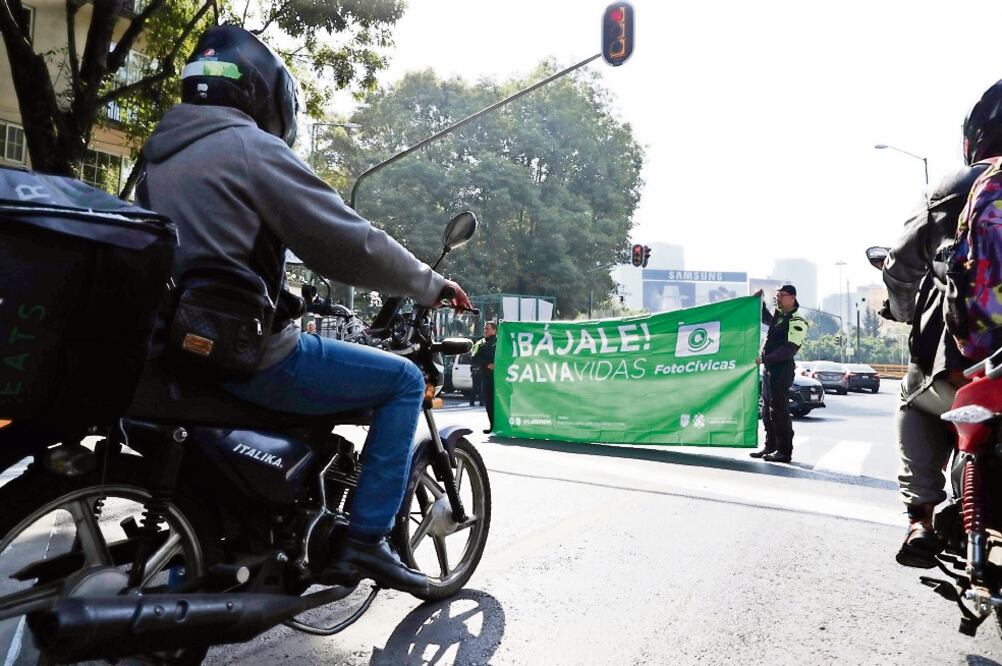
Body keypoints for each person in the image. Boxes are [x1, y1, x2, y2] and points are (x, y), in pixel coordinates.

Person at [137, 25, 473, 594]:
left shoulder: (156, 159)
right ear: (264, 93)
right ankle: (366, 540)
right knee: (403, 380)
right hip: (250, 354)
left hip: (178, 349)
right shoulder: (247, 147)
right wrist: (428, 284)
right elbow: (347, 242)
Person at [880, 79, 1002, 568]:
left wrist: (903, 310)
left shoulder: (955, 187)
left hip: (970, 363)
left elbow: (900, 268)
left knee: (913, 400)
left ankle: (921, 519)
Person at [750, 285, 809, 463]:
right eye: (777, 295)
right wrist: (760, 303)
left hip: (782, 369)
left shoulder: (797, 320)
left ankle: (784, 451)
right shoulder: (780, 315)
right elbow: (766, 319)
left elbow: (789, 349)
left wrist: (765, 358)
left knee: (779, 410)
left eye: (782, 295)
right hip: (769, 369)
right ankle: (770, 446)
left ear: (792, 297)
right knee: (767, 410)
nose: (778, 298)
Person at [472, 321, 497, 433]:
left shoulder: (500, 342)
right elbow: (474, 357)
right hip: (486, 377)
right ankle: (493, 426)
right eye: (485, 328)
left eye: (488, 328)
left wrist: (497, 364)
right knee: (488, 402)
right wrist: (487, 364)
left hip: (499, 378)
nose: (485, 331)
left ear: (494, 330)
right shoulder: (480, 343)